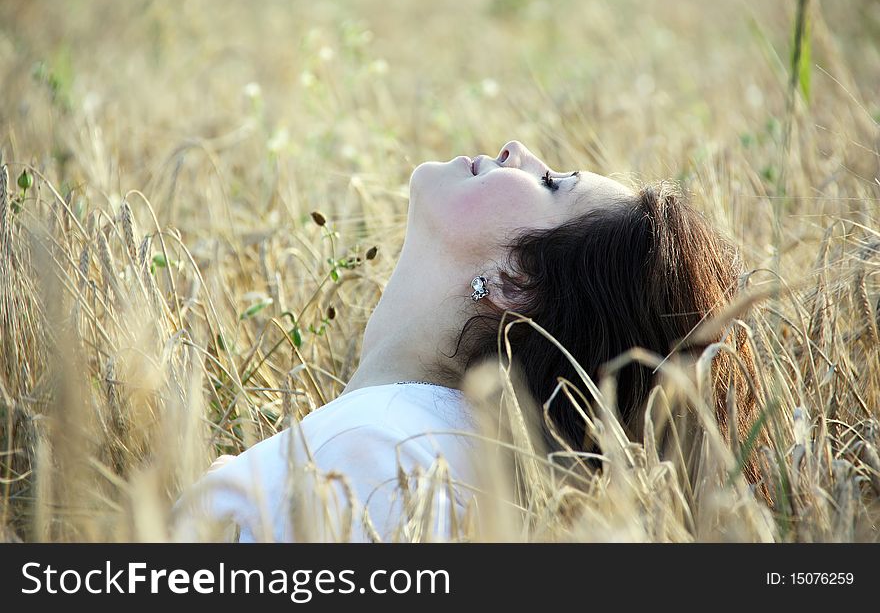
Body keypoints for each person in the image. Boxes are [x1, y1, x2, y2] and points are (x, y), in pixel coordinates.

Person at [174, 140, 765, 542]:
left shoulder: (379, 449)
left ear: (515, 282)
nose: (517, 151)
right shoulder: (432, 452)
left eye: (551, 183)